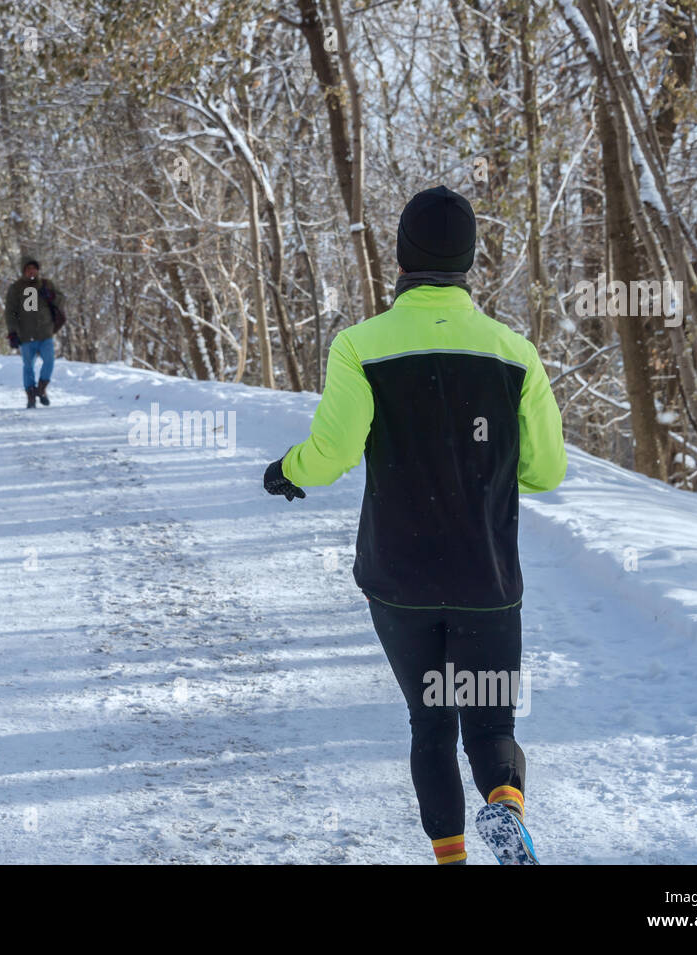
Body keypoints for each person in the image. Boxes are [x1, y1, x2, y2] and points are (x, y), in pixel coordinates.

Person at [263, 185, 566, 865]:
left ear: (400, 260)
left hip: (399, 581)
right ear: (469, 262)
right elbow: (547, 470)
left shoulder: (360, 346)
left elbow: (333, 454)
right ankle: (507, 807)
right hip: (486, 579)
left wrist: (288, 469)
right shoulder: (514, 353)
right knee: (490, 722)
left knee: (431, 724)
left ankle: (452, 860)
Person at [4, 258, 64, 408]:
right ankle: (31, 395)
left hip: (45, 332)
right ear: (23, 271)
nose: (32, 271)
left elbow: (61, 300)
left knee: (49, 361)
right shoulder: (16, 288)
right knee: (28, 366)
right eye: (28, 269)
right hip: (25, 334)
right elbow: (10, 312)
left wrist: (52, 296)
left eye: (34, 268)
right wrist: (12, 332)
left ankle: (41, 388)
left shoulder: (46, 284)